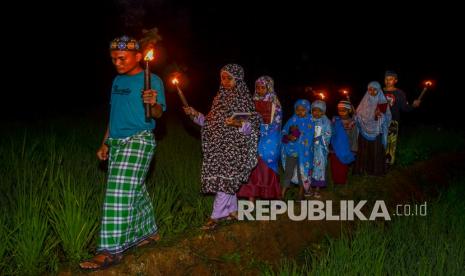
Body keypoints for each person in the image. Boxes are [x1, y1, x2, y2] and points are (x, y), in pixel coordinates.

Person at [79, 35, 166, 270]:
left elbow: (157, 114)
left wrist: (153, 102)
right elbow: (113, 115)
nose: (117, 62)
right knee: (133, 189)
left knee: (117, 191)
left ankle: (109, 250)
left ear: (138, 57)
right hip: (117, 142)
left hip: (139, 139)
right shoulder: (117, 81)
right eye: (113, 59)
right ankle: (148, 234)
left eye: (122, 58)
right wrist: (105, 142)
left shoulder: (152, 80)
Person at [183, 64, 260, 230]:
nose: (225, 81)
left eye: (229, 78)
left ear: (237, 79)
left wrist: (238, 123)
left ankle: (215, 217)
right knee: (226, 181)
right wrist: (195, 114)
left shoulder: (243, 99)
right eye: (223, 78)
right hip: (218, 149)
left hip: (235, 149)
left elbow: (251, 129)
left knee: (225, 181)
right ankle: (233, 211)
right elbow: (209, 123)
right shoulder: (219, 99)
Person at [237, 76, 282, 201]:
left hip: (269, 140)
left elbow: (276, 124)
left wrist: (265, 125)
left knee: (266, 166)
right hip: (254, 137)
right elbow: (244, 119)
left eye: (263, 87)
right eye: (257, 87)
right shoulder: (251, 101)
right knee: (252, 166)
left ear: (269, 88)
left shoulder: (275, 103)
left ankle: (271, 196)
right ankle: (251, 198)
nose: (260, 90)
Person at [353, 81, 391, 176]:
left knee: (376, 151)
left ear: (379, 90)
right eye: (370, 89)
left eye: (375, 89)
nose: (372, 91)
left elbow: (388, 117)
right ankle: (361, 169)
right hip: (363, 131)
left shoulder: (382, 101)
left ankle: (375, 171)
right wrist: (357, 116)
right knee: (363, 150)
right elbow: (358, 114)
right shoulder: (365, 101)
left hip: (377, 132)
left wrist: (380, 115)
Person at [383, 70, 421, 165]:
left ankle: (387, 164)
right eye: (386, 79)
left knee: (390, 144)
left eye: (390, 79)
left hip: (393, 121)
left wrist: (413, 105)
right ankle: (376, 162)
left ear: (395, 80)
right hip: (378, 122)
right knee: (378, 142)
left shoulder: (400, 93)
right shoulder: (378, 91)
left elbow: (404, 108)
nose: (388, 81)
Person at [280, 99, 314, 199]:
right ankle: (282, 193)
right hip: (291, 151)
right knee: (288, 172)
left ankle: (301, 192)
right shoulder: (292, 120)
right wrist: (288, 137)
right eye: (297, 109)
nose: (300, 112)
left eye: (303, 110)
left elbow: (310, 135)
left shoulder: (311, 121)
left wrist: (299, 135)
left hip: (304, 153)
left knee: (302, 173)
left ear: (307, 109)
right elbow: (284, 133)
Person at [329, 100, 357, 185]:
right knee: (335, 165)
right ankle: (335, 181)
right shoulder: (335, 120)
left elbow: (354, 136)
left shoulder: (352, 122)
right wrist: (329, 145)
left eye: (343, 110)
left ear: (349, 110)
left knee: (343, 165)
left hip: (346, 148)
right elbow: (330, 133)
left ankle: (342, 181)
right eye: (339, 110)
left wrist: (354, 149)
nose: (341, 112)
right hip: (335, 148)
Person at [309, 100, 332, 198]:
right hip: (309, 149)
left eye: (319, 111)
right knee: (308, 167)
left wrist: (320, 138)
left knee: (319, 168)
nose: (316, 113)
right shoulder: (309, 119)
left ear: (323, 111)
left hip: (320, 150)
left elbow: (328, 133)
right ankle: (308, 188)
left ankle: (317, 189)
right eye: (314, 110)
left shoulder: (325, 121)